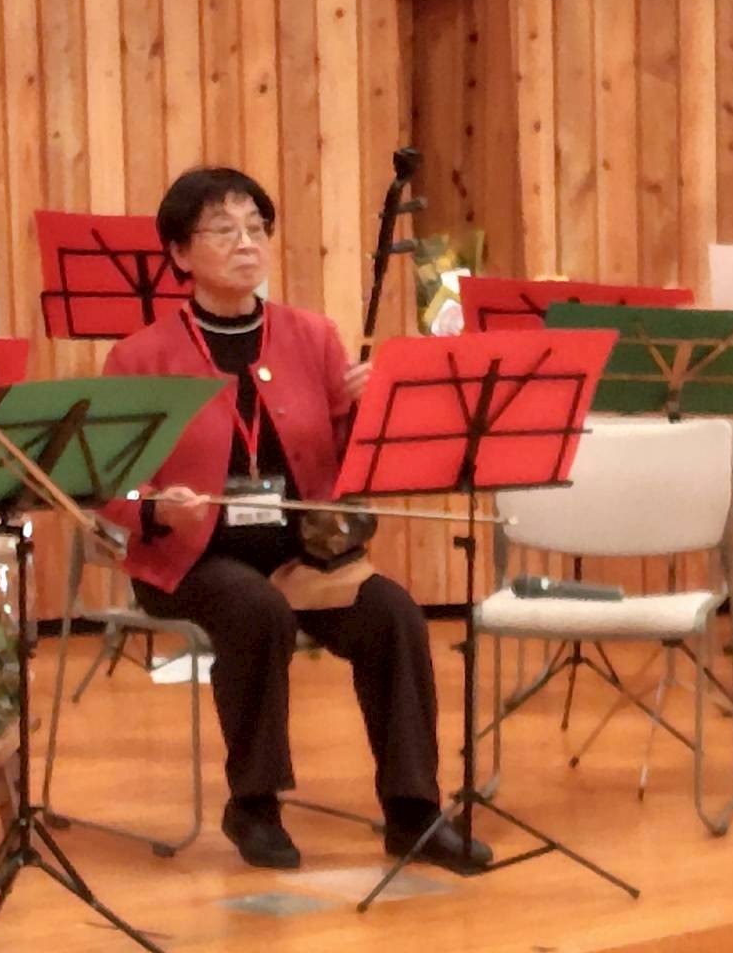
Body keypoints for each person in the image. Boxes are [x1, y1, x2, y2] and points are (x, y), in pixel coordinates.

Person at [100, 167, 491, 873]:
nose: (246, 243)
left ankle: (413, 811)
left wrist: (371, 409)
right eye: (224, 230)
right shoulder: (139, 357)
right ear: (181, 253)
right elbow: (106, 480)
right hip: (191, 558)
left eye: (256, 228)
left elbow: (352, 461)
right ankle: (254, 803)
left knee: (394, 614)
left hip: (302, 553)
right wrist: (151, 505)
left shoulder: (312, 335)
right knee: (255, 610)